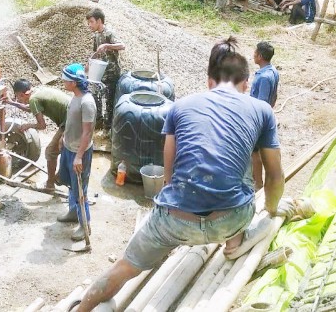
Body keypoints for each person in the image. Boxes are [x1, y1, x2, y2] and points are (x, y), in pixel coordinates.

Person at [76, 37, 284, 311]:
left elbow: (168, 176)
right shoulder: (262, 110)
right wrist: (269, 210)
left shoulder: (180, 107)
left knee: (125, 266)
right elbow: (274, 177)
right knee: (245, 162)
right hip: (231, 220)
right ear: (246, 84)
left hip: (174, 221)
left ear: (209, 81)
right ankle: (235, 241)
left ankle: (82, 308)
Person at [8, 79, 72, 190]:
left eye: (17, 97)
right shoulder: (36, 91)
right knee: (64, 149)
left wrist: (28, 125)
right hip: (74, 112)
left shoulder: (33, 99)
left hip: (71, 120)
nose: (17, 99)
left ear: (22, 94)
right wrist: (11, 102)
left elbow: (42, 126)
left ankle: (50, 185)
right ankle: (61, 177)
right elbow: (30, 108)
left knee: (51, 151)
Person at [57, 64, 96, 241]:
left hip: (79, 152)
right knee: (71, 184)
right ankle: (74, 212)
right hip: (68, 147)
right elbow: (71, 122)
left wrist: (79, 156)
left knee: (81, 189)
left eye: (65, 78)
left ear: (73, 83)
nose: (63, 81)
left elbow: (88, 132)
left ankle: (85, 225)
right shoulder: (75, 97)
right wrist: (63, 138)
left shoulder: (87, 103)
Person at [87, 8, 125, 130]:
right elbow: (96, 52)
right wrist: (89, 63)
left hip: (112, 73)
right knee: (95, 95)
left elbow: (122, 46)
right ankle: (98, 121)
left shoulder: (109, 33)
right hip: (100, 73)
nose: (89, 25)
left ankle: (108, 128)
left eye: (91, 22)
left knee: (109, 101)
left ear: (99, 21)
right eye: (88, 22)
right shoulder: (96, 35)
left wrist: (107, 45)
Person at [249, 41, 279, 190]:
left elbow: (260, 104)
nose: (253, 55)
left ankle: (258, 183)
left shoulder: (264, 78)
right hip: (267, 113)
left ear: (260, 56)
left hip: (259, 118)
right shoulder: (273, 71)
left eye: (255, 53)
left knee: (256, 153)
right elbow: (274, 96)